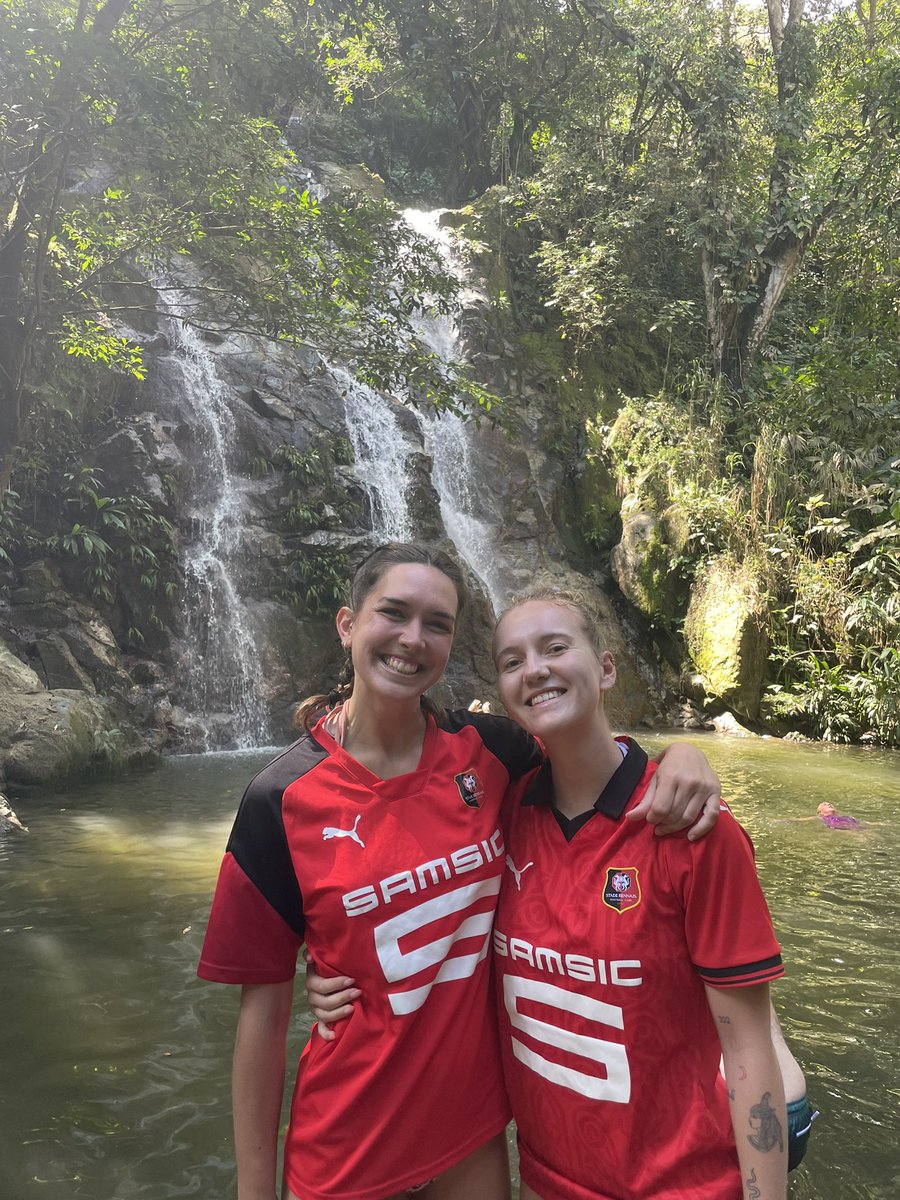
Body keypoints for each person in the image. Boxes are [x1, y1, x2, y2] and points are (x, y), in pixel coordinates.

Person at [197, 544, 722, 1200]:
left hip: (472, 1141)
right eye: (394, 613)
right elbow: (262, 1019)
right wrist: (253, 1191)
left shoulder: (493, 753)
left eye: (437, 624)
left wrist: (683, 756)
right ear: (347, 624)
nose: (413, 639)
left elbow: (593, 750)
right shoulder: (279, 801)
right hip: (347, 1150)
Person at [489, 589, 787, 1199]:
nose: (535, 669)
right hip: (549, 1180)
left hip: (685, 1186)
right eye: (512, 660)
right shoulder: (498, 815)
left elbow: (748, 1045)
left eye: (554, 647)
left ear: (605, 668)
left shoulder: (694, 830)